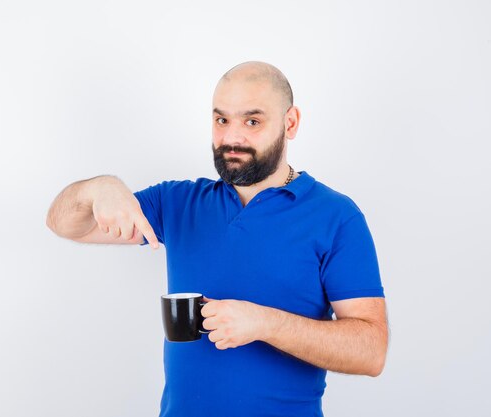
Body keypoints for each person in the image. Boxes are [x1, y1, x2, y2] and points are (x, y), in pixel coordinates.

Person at [46, 61, 389, 417]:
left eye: (252, 121)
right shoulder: (178, 202)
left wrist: (265, 323)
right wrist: (99, 188)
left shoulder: (336, 216)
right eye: (221, 120)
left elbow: (371, 352)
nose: (232, 138)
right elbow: (64, 223)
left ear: (290, 123)